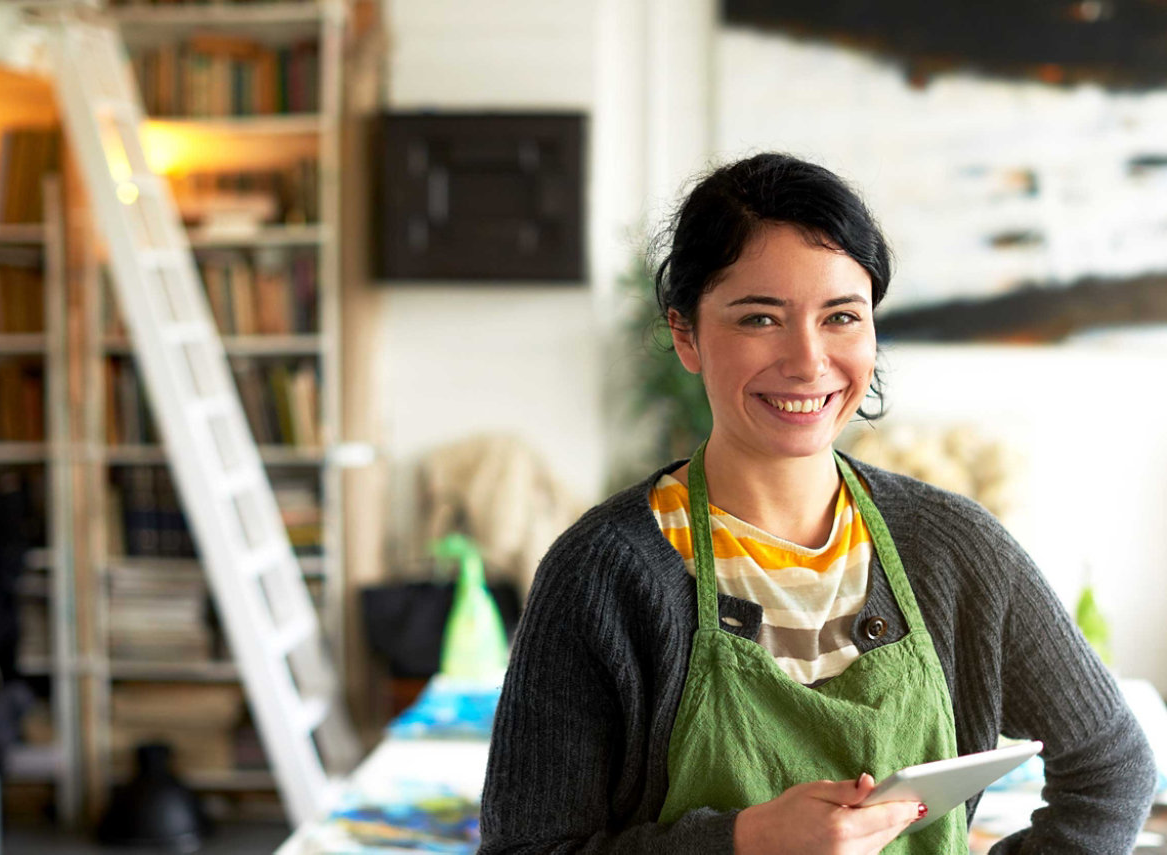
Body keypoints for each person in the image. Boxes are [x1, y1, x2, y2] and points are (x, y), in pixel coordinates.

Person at [477, 152, 1156, 854]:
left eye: (840, 317)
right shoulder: (602, 576)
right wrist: (744, 841)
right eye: (761, 319)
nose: (808, 361)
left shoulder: (954, 548)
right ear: (686, 335)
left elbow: (1112, 769)